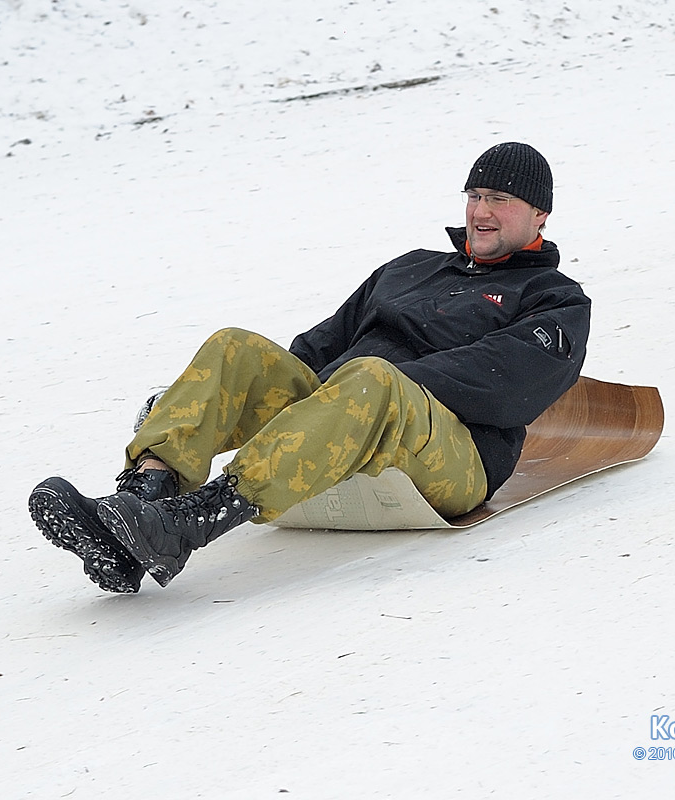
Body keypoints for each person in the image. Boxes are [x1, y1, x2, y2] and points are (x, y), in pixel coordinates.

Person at [29, 142, 590, 593]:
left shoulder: (553, 299)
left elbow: (506, 380)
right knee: (235, 348)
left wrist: (370, 387)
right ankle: (141, 507)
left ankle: (193, 519)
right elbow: (323, 344)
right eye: (474, 194)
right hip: (348, 403)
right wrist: (279, 398)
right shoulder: (410, 269)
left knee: (371, 376)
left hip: (456, 455)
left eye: (500, 198)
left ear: (540, 213)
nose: (481, 211)